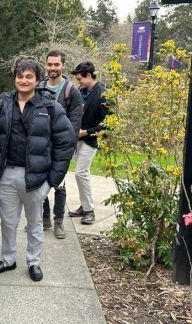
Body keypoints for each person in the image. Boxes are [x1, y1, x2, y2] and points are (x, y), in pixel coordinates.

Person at [0, 59, 75, 282]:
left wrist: (52, 181)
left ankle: (33, 261)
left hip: (36, 178)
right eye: (19, 76)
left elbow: (65, 144)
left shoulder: (50, 107)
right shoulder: (3, 104)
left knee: (34, 223)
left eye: (28, 77)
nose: (23, 80)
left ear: (37, 79)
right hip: (6, 174)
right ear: (14, 78)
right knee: (7, 221)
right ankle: (8, 259)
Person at [38, 50, 84, 239]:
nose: (53, 68)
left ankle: (59, 221)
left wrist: (66, 147)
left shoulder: (70, 90)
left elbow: (75, 122)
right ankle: (45, 218)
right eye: (50, 64)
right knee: (41, 182)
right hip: (41, 144)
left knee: (59, 184)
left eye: (56, 65)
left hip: (61, 147)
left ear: (63, 65)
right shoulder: (39, 86)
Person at [68, 62, 110, 225]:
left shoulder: (104, 95)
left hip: (90, 139)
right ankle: (84, 206)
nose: (78, 82)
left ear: (89, 76)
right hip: (77, 138)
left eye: (80, 79)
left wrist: (86, 132)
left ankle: (89, 211)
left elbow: (109, 124)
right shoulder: (81, 91)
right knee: (79, 174)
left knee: (80, 173)